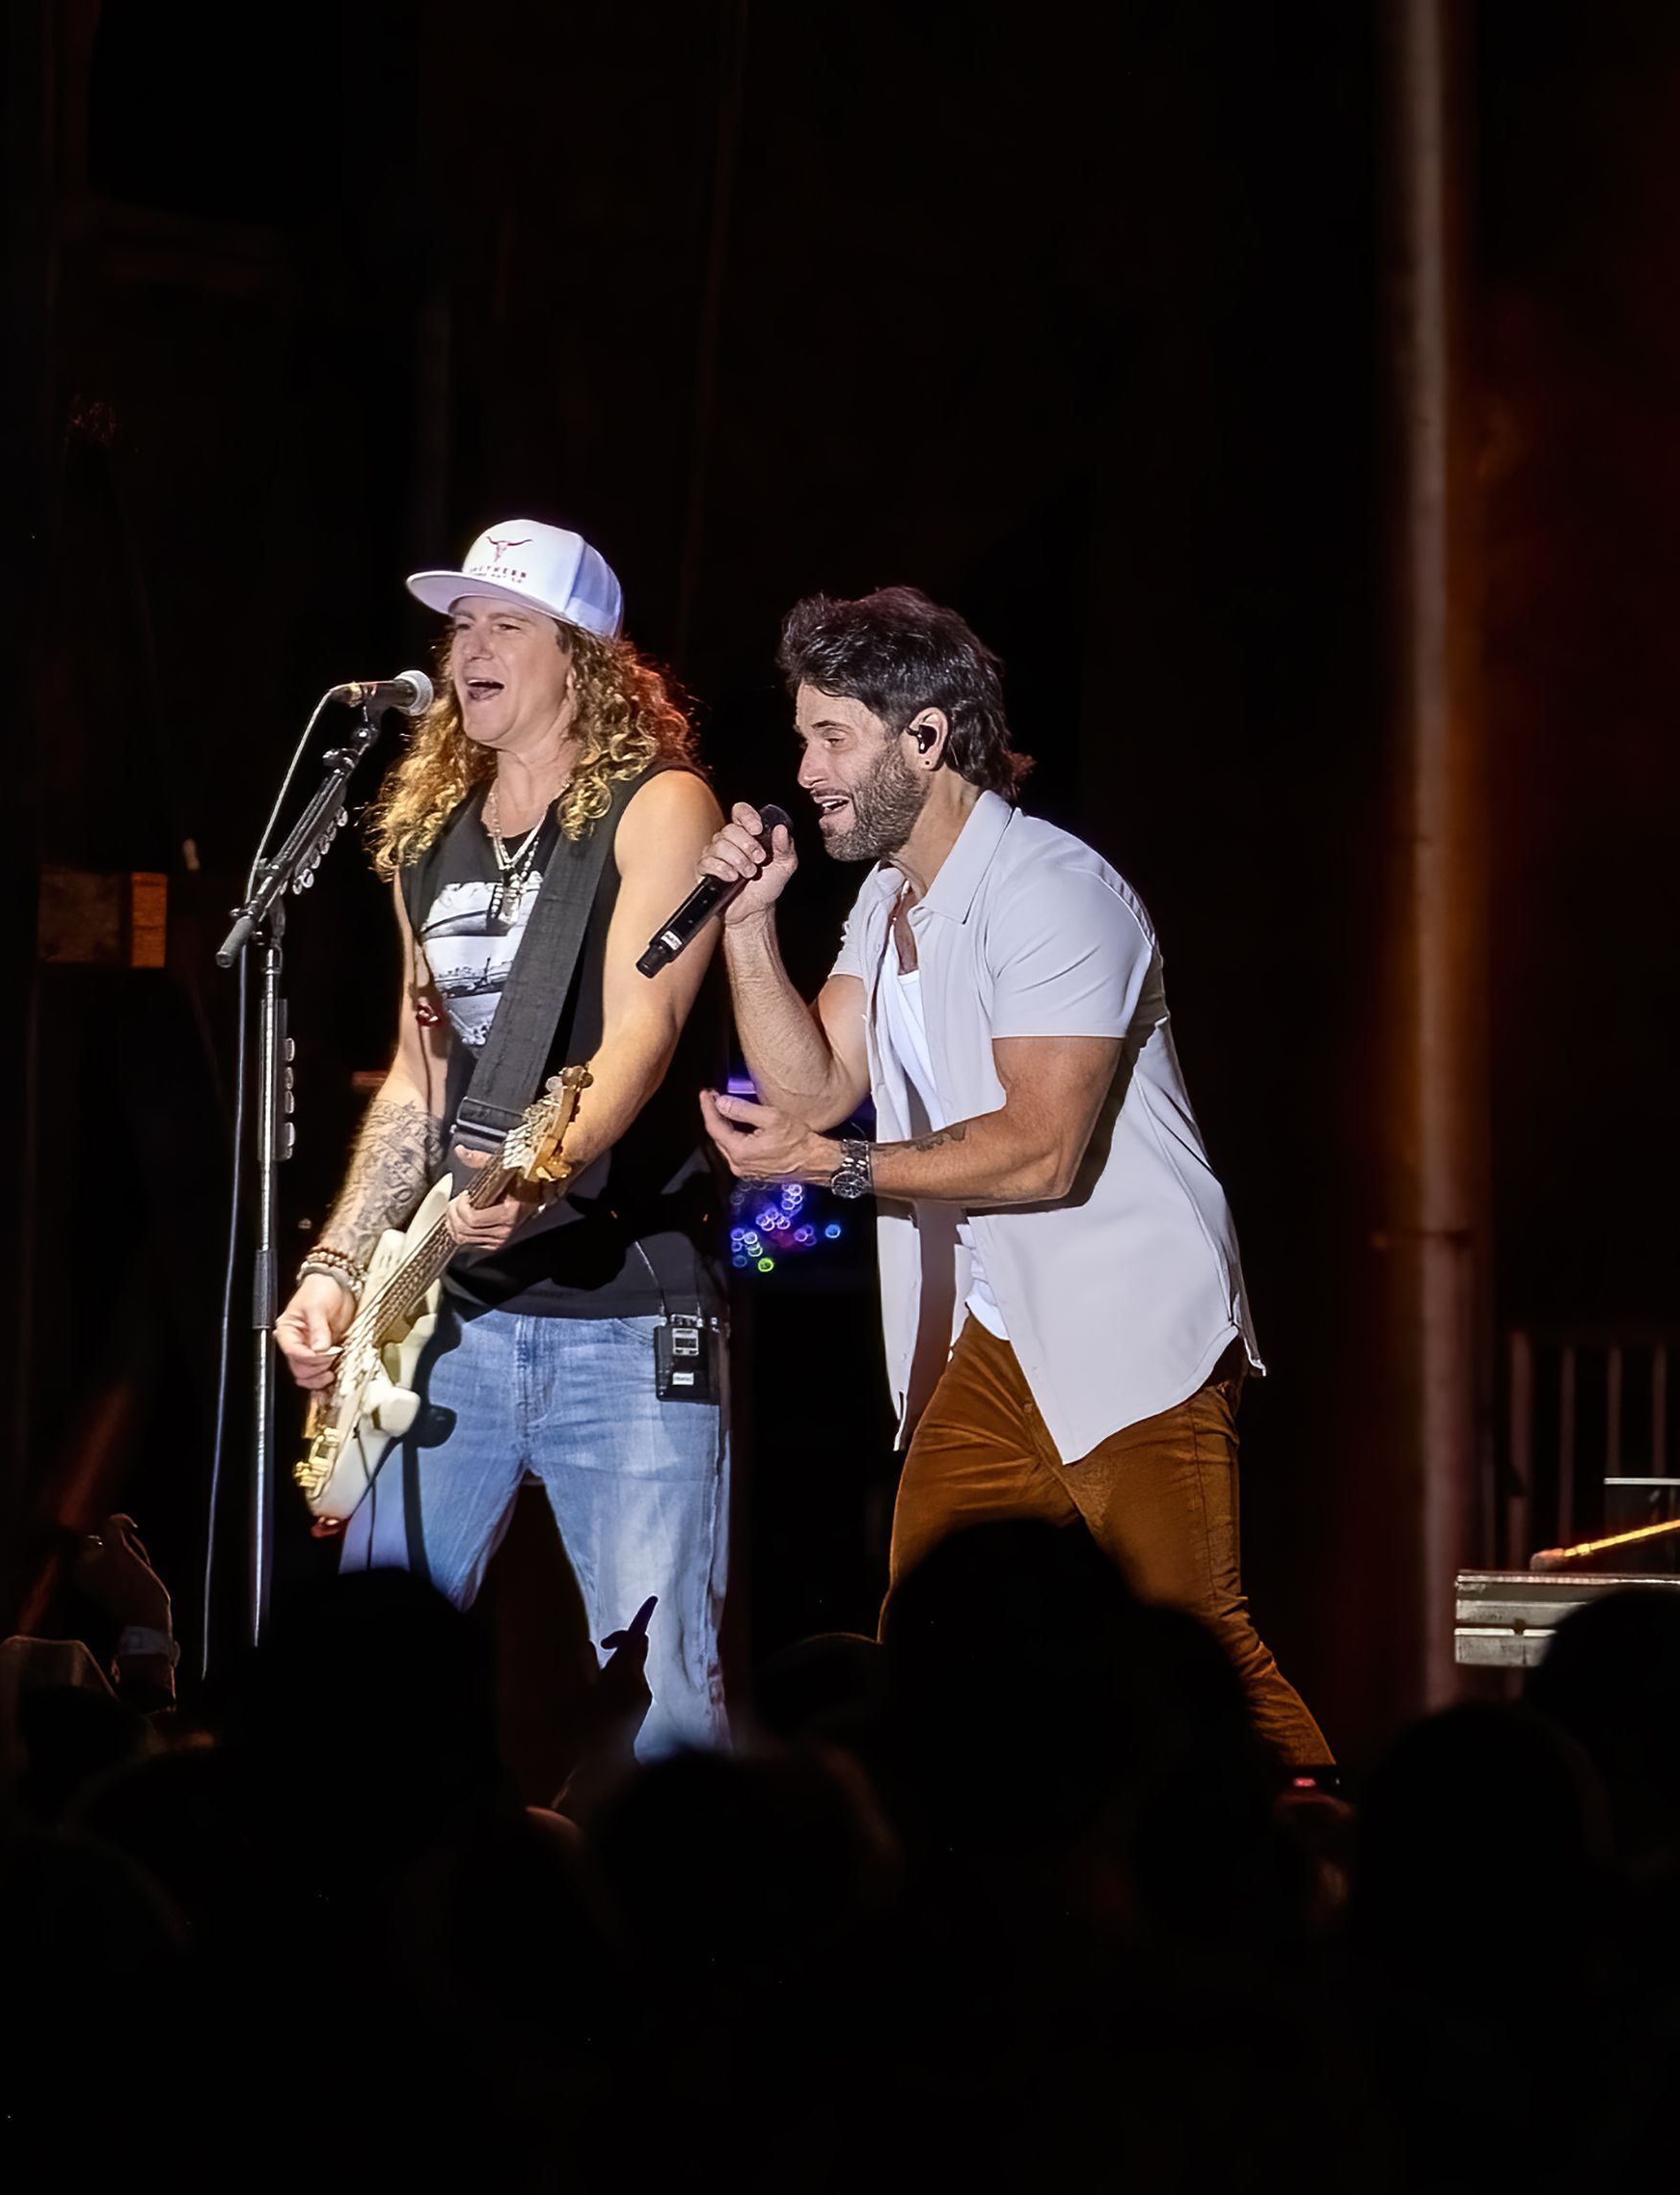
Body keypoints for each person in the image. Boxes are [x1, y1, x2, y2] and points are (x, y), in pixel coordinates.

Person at [694, 584, 1329, 1768]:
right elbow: (811, 1087)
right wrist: (745, 927)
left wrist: (828, 1169)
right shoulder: (889, 901)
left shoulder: (1053, 891)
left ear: (925, 737)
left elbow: (1038, 1151)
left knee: (1198, 1651)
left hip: (1130, 1319)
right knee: (930, 1646)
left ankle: (1330, 1867)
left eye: (833, 734)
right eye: (804, 735)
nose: (806, 765)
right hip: (994, 1337)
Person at [274, 521, 730, 1755]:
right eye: (461, 625)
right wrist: (335, 1268)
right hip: (450, 1316)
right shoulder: (428, 836)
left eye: (505, 624)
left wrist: (550, 1172)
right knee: (374, 1695)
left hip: (625, 1311)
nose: (470, 648)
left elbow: (643, 1029)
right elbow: (421, 1079)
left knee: (664, 1700)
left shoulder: (660, 808)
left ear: (582, 658)